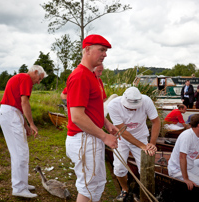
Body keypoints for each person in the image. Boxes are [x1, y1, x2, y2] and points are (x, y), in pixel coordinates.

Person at [65, 34, 118, 202]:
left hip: (90, 137)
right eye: (101, 50)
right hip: (84, 138)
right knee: (88, 186)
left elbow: (92, 110)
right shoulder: (80, 76)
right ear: (87, 49)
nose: (105, 55)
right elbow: (77, 117)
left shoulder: (92, 76)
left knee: (96, 183)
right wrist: (105, 137)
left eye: (106, 51)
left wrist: (107, 124)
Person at [0, 65, 47, 198]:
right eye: (39, 79)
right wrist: (32, 124)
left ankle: (22, 184)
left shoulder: (21, 78)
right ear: (35, 72)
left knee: (21, 151)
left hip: (12, 113)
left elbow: (19, 106)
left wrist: (25, 126)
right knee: (19, 152)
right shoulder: (26, 78)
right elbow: (24, 103)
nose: (38, 82)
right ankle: (19, 188)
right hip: (10, 115)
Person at [107, 86, 161, 201]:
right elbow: (123, 131)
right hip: (121, 137)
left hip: (141, 136)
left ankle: (146, 194)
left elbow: (156, 122)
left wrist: (152, 143)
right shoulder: (113, 105)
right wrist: (142, 146)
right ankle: (125, 189)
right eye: (130, 108)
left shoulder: (146, 101)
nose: (133, 110)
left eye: (136, 108)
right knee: (119, 168)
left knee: (146, 168)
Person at [168, 114, 199, 190]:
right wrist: (186, 179)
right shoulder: (187, 136)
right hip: (177, 170)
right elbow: (182, 157)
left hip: (190, 166)